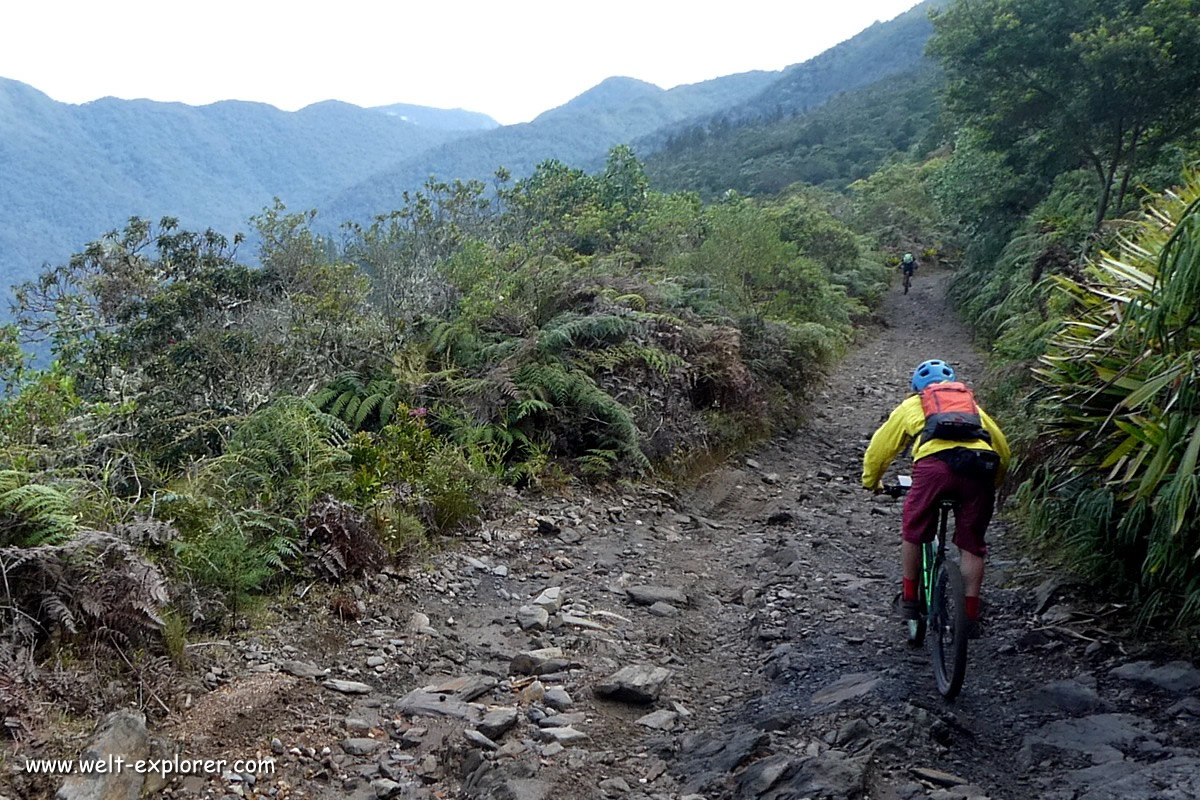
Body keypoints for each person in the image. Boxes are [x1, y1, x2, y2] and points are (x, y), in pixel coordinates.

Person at [861, 359, 1010, 635]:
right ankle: (970, 617)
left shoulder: (911, 405)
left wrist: (872, 481)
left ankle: (910, 599)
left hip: (934, 469)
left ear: (917, 388)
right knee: (972, 545)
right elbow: (1001, 446)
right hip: (978, 468)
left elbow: (880, 448)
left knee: (914, 532)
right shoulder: (972, 407)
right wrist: (993, 483)